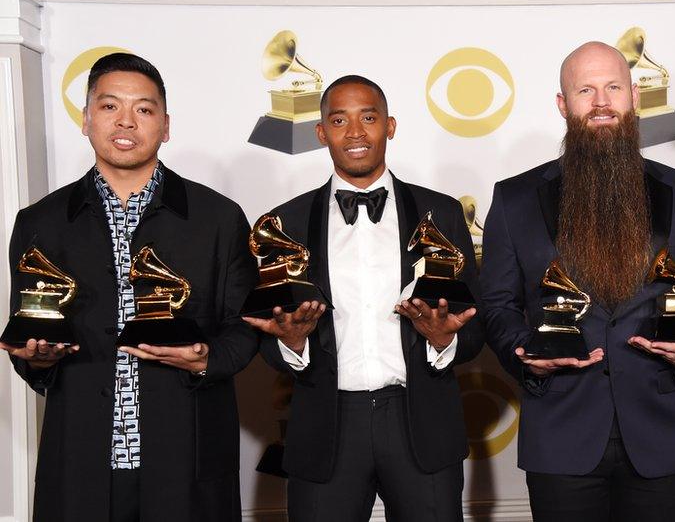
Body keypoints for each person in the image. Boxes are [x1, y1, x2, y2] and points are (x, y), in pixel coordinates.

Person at [1, 53, 258, 521]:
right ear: (85, 120)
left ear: (165, 125)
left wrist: (206, 359)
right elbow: (31, 330)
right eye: (109, 106)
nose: (126, 121)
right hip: (80, 463)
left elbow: (243, 329)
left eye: (143, 109)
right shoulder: (41, 223)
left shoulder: (218, 218)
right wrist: (36, 359)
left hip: (187, 463)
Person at [480, 42, 675, 522]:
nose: (600, 102)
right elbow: (497, 304)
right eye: (585, 90)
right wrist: (529, 356)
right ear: (562, 104)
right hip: (560, 436)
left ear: (634, 96)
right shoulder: (514, 200)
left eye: (613, 87)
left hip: (661, 434)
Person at [243, 75, 484, 522]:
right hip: (326, 427)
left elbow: (476, 326)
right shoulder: (285, 223)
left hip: (421, 425)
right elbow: (265, 337)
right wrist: (292, 344)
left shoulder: (444, 213)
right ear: (321, 133)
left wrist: (441, 340)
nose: (355, 132)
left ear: (389, 126)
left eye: (368, 118)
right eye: (339, 120)